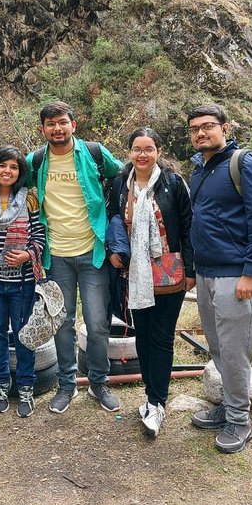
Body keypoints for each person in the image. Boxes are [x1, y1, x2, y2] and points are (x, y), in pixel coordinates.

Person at [187, 104, 252, 454]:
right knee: (219, 346)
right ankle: (229, 405)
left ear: (225, 127)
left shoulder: (245, 163)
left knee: (236, 349)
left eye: (207, 126)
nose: (200, 134)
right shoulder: (200, 169)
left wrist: (251, 272)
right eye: (194, 129)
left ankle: (239, 420)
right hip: (207, 272)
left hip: (236, 273)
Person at [26, 101, 123, 414]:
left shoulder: (94, 153)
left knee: (97, 324)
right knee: (63, 324)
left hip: (92, 252)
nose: (57, 128)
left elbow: (122, 175)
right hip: (56, 257)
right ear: (43, 129)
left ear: (73, 125)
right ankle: (66, 385)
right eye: (51, 123)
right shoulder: (35, 161)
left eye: (62, 122)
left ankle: (98, 383)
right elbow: (15, 188)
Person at [108, 127, 195, 438]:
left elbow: (187, 225)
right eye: (136, 149)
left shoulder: (173, 183)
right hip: (135, 273)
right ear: (130, 152)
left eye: (148, 149)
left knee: (161, 337)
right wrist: (113, 251)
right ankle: (150, 396)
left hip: (170, 270)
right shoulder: (121, 182)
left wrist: (191, 269)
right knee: (142, 335)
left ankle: (158, 402)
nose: (142, 154)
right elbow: (112, 218)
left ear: (159, 151)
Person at [0, 146, 46, 418]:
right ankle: (1, 385)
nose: (8, 171)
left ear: (20, 172)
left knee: (23, 335)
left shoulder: (29, 200)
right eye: (2, 165)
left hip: (22, 282)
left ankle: (26, 387)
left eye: (14, 167)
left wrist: (28, 254)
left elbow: (39, 236)